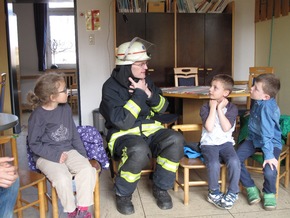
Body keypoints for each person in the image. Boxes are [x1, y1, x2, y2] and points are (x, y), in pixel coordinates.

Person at [99, 37, 184, 215]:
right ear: (126, 65)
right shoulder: (110, 88)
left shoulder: (146, 80)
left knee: (175, 139)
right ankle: (123, 194)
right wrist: (139, 94)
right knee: (138, 149)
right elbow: (123, 122)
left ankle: (161, 188)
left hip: (151, 130)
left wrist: (148, 93)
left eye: (146, 63)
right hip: (124, 135)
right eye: (141, 64)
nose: (146, 68)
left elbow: (163, 107)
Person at [27, 72, 96, 218]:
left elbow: (74, 134)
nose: (68, 92)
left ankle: (82, 211)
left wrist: (83, 156)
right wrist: (56, 156)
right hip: (46, 155)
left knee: (88, 170)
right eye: (64, 90)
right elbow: (34, 144)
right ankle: (71, 212)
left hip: (68, 150)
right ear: (52, 97)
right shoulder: (37, 116)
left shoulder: (65, 108)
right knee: (62, 178)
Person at [236, 73, 281, 211]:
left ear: (266, 97)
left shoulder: (266, 109)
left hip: (270, 142)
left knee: (269, 170)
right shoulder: (258, 100)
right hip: (254, 139)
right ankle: (250, 187)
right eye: (253, 85)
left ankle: (269, 192)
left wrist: (269, 156)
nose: (251, 88)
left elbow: (267, 134)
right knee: (235, 159)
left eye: (255, 88)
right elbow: (259, 113)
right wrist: (253, 114)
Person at [199, 74, 240, 210]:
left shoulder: (232, 109)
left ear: (226, 93)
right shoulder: (205, 107)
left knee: (234, 161)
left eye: (215, 88)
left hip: (226, 143)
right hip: (208, 144)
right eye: (211, 86)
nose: (210, 89)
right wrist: (212, 108)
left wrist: (219, 110)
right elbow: (209, 128)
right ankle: (214, 192)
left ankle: (233, 192)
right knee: (213, 163)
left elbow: (226, 127)